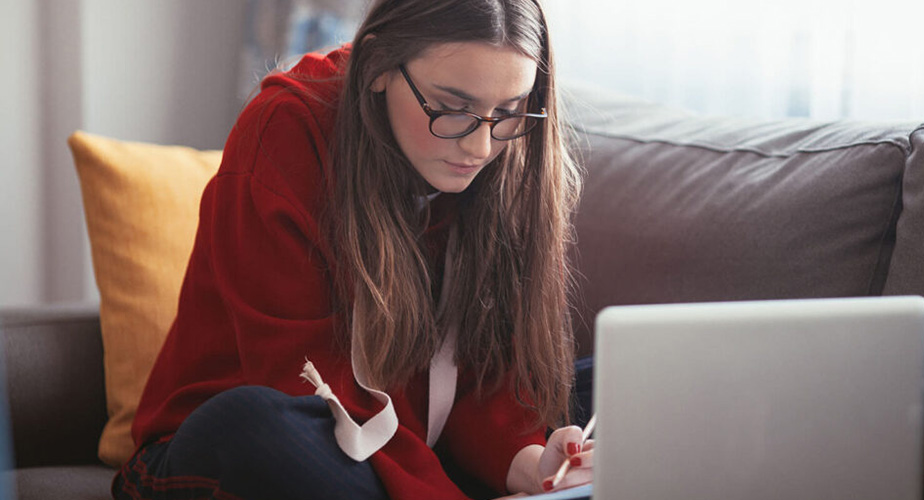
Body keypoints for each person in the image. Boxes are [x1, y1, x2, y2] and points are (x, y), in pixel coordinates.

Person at [112, 0, 593, 499]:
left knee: (618, 384)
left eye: (509, 111)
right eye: (451, 108)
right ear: (378, 65)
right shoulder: (285, 131)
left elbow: (479, 372)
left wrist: (536, 467)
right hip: (278, 435)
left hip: (408, 446)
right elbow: (317, 393)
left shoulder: (505, 157)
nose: (479, 148)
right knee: (257, 423)